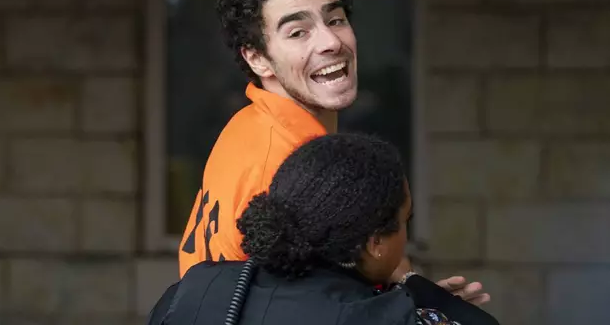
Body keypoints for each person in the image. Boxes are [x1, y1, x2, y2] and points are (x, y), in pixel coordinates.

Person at [177, 0, 489, 305]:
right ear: (258, 58)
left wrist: (414, 296)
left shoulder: (252, 123)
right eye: (298, 32)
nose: (330, 42)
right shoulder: (289, 162)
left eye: (335, 20)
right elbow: (308, 307)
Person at [153, 134, 499, 325]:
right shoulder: (376, 316)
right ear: (376, 241)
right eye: (404, 221)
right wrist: (413, 284)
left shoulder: (196, 286)